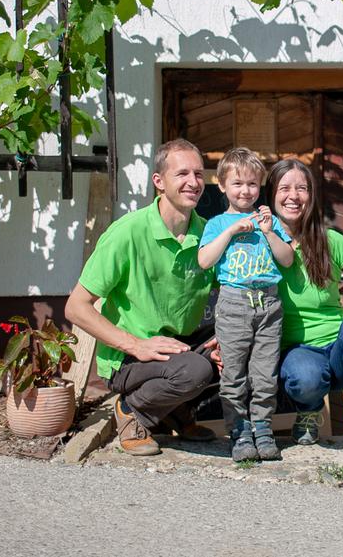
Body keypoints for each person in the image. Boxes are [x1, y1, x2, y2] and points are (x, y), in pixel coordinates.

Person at [65, 139, 219, 456]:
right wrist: (135, 345)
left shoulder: (209, 234)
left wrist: (225, 341)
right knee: (195, 371)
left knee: (239, 345)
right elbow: (76, 307)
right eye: (183, 174)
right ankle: (132, 412)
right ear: (159, 182)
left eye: (199, 174)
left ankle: (174, 412)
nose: (193, 182)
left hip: (178, 344)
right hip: (129, 355)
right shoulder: (128, 232)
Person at [268, 158, 343, 469]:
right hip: (297, 351)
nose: (293, 195)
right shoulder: (260, 243)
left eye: (302, 188)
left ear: (311, 196)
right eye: (284, 188)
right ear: (271, 194)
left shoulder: (329, 240)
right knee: (303, 377)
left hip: (339, 351)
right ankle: (308, 410)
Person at [198, 148, 294, 462]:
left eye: (252, 184)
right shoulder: (216, 224)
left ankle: (263, 428)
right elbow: (204, 260)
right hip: (234, 303)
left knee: (265, 373)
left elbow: (287, 259)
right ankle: (238, 430)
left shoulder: (270, 221)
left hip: (268, 303)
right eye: (238, 183)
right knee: (234, 373)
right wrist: (230, 231)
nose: (246, 190)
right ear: (222, 185)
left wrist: (269, 232)